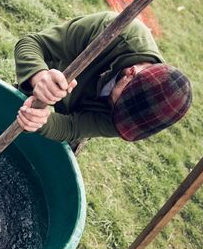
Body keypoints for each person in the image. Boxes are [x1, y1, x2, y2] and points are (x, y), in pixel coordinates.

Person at [14, 12, 192, 154]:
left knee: (53, 155)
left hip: (78, 117)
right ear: (130, 73)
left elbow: (72, 126)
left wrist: (39, 122)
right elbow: (32, 43)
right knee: (12, 111)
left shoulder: (131, 119)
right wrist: (38, 77)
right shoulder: (112, 31)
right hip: (50, 81)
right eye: (117, 104)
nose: (113, 113)